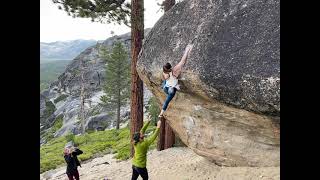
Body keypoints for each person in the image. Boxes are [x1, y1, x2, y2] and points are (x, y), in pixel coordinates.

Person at [158, 44, 193, 117]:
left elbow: (182, 61)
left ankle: (172, 86)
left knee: (167, 86)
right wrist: (187, 49)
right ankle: (173, 86)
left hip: (166, 88)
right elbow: (182, 61)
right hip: (168, 88)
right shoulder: (172, 71)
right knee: (169, 90)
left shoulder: (168, 72)